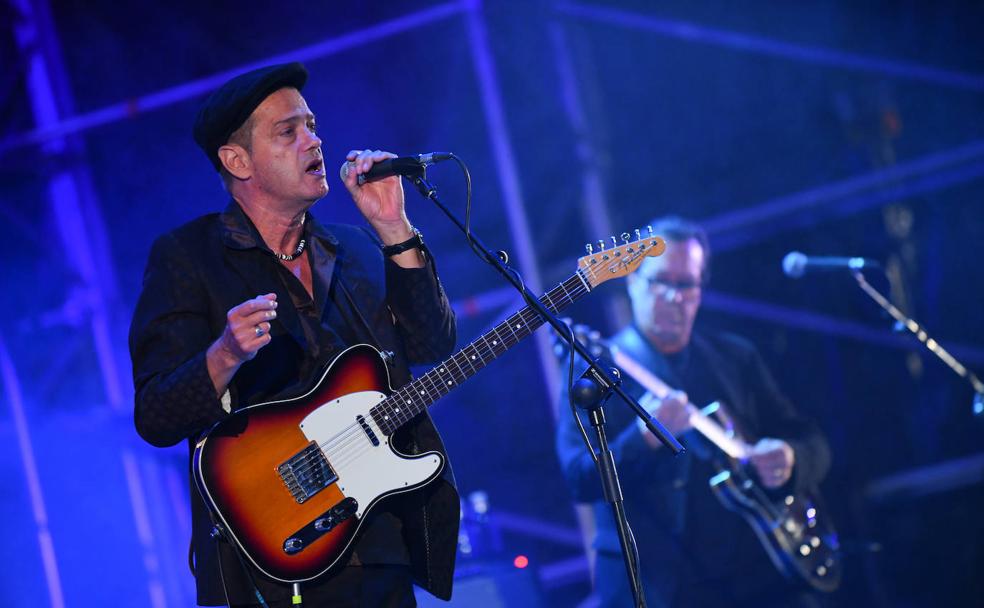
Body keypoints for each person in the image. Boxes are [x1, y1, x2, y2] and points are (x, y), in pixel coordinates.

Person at [129, 62, 459, 607]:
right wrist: (224, 354)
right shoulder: (188, 258)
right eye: (290, 131)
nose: (315, 140)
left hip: (376, 544)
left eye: (312, 125)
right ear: (237, 161)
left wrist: (395, 229)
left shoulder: (353, 247)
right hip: (269, 562)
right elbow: (155, 414)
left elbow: (431, 346)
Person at [555, 217, 831, 607]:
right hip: (659, 587)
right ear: (632, 283)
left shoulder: (736, 357)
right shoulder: (593, 374)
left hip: (758, 578)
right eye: (660, 281)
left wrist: (790, 458)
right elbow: (578, 479)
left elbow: (811, 439)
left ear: (700, 290)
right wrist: (642, 439)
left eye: (686, 284)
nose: (673, 296)